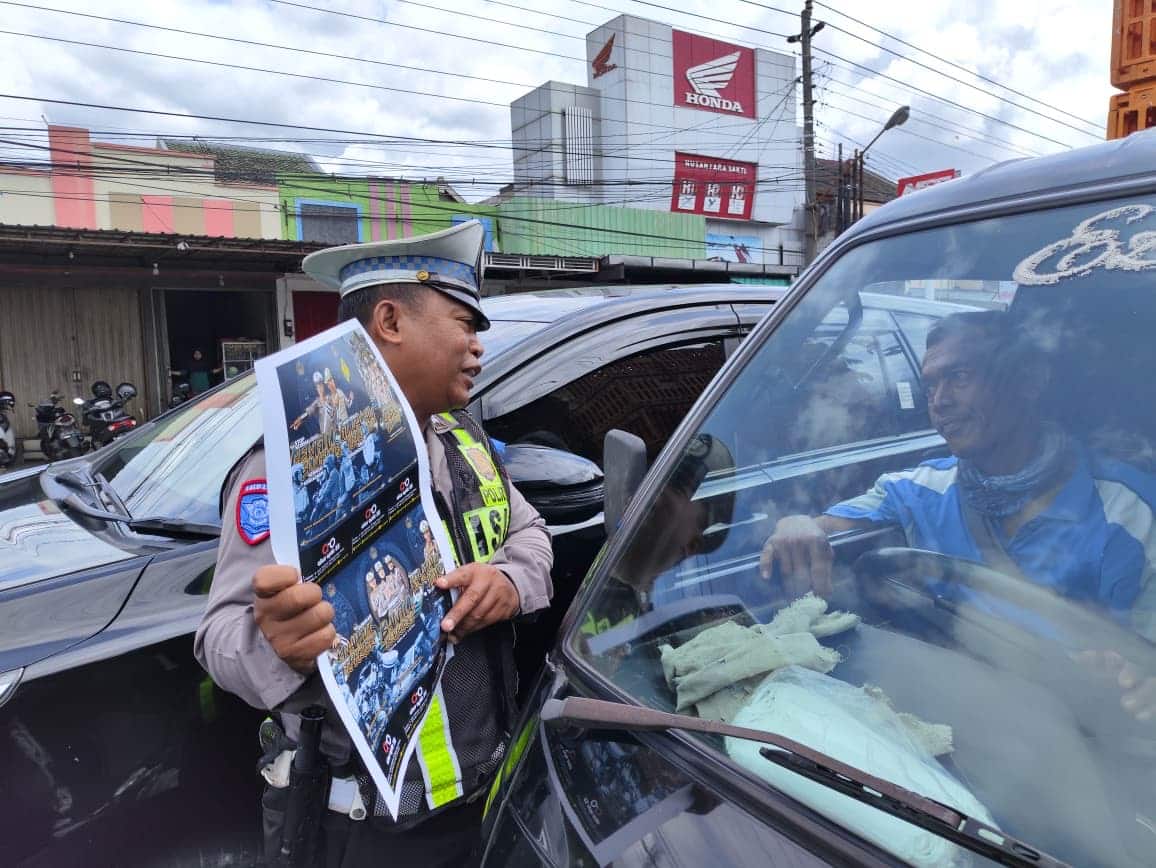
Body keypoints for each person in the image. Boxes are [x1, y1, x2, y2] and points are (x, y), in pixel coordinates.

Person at [194, 220, 554, 867]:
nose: (477, 348)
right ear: (390, 319)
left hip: (485, 802)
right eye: (464, 324)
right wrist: (279, 646)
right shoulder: (292, 471)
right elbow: (217, 635)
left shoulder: (466, 444)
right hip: (362, 831)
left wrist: (509, 582)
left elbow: (530, 534)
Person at [760, 310, 1156, 722]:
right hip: (945, 719)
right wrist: (797, 524)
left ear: (1029, 381)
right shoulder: (918, 488)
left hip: (1072, 739)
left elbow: (1145, 667)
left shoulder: (1129, 512)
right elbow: (824, 528)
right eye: (930, 384)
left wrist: (1136, 680)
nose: (939, 402)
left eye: (960, 377)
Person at [292, 371, 334, 436]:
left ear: (323, 385)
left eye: (321, 384)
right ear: (316, 388)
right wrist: (300, 419)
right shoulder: (317, 402)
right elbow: (308, 412)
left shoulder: (330, 397)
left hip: (337, 430)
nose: (320, 387)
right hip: (326, 435)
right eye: (318, 386)